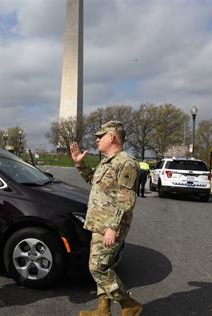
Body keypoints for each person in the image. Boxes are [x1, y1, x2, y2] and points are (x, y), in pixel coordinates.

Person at [70, 120, 143, 316]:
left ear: (112, 137)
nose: (96, 140)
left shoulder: (127, 163)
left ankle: (129, 304)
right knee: (105, 266)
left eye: (100, 136)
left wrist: (113, 227)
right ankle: (103, 310)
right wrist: (79, 164)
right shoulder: (107, 161)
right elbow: (94, 182)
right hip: (99, 223)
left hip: (111, 225)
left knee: (97, 268)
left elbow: (126, 198)